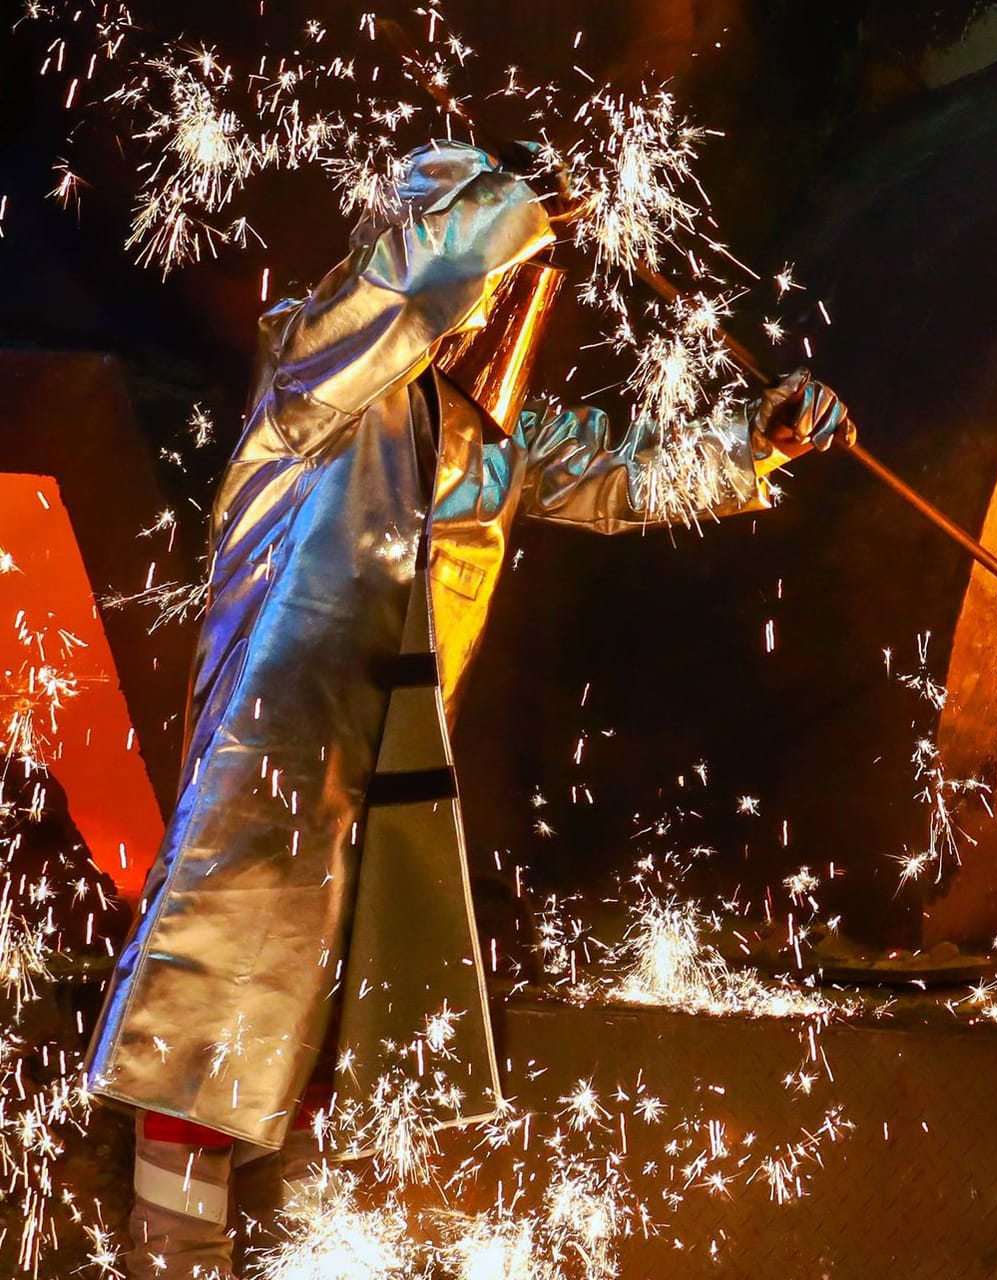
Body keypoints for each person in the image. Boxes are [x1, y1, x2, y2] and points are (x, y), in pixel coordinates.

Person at [83, 139, 852, 1279]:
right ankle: (172, 1252)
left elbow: (630, 474)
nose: (494, 306)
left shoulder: (483, 439)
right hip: (278, 754)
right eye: (482, 269)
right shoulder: (315, 362)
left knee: (335, 1041)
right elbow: (400, 292)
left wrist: (759, 442)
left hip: (391, 773)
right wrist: (516, 207)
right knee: (221, 1001)